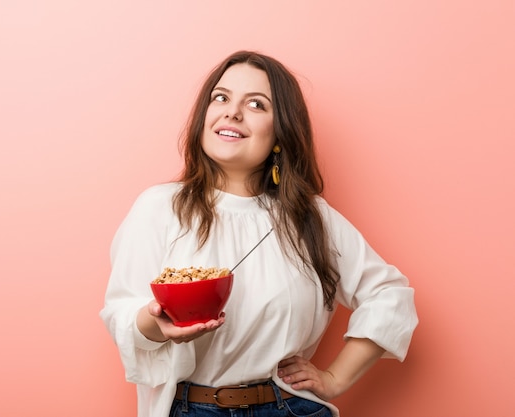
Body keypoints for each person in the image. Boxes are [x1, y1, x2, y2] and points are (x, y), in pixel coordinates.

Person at [100, 50, 418, 417]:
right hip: (192, 408)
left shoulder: (309, 217)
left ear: (280, 130)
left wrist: (334, 378)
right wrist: (155, 324)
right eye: (221, 97)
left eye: (256, 104)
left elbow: (389, 295)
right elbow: (121, 314)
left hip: (288, 408)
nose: (232, 111)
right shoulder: (160, 207)